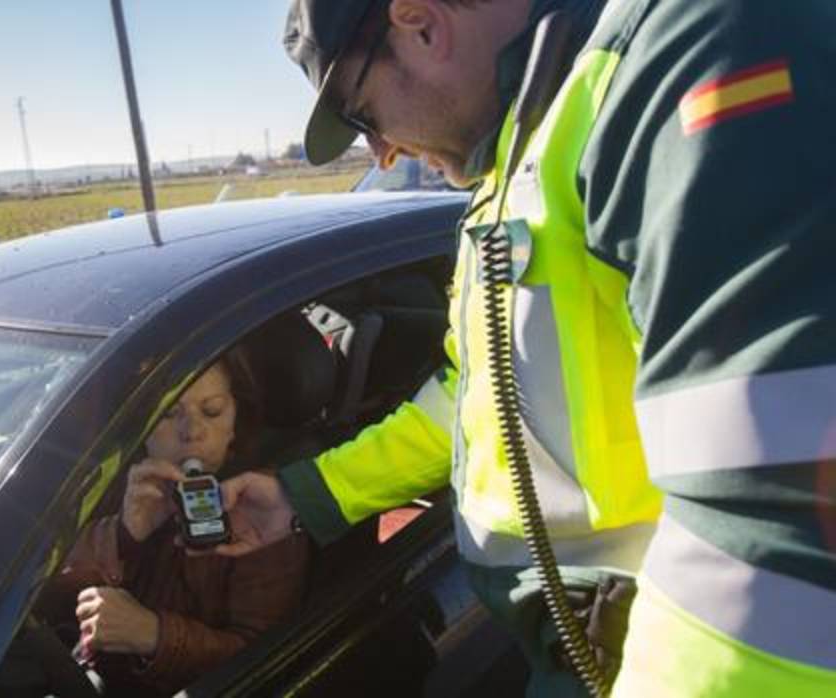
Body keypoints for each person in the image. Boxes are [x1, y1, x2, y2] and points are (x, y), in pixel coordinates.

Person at [216, 0, 836, 696]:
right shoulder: (516, 160)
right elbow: (475, 399)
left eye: (362, 115)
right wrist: (308, 494)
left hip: (668, 657)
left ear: (420, 23)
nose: (381, 152)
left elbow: (782, 513)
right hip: (578, 647)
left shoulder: (676, 57)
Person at [46, 348, 309, 697]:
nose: (193, 431)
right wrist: (122, 536)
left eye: (212, 411)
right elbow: (37, 598)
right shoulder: (117, 479)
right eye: (169, 413)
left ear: (235, 421)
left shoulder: (262, 508)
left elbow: (263, 658)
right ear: (142, 426)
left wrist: (153, 635)